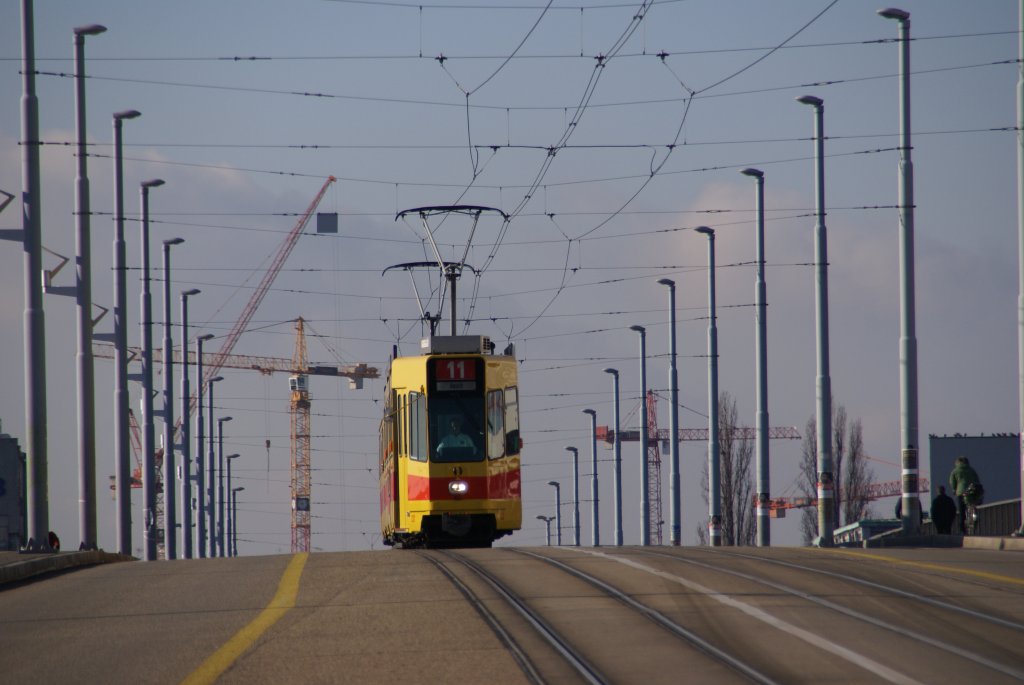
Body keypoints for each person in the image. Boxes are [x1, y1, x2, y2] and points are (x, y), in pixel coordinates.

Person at [949, 456, 982, 534]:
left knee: (961, 511)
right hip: (972, 491)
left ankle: (962, 529)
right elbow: (977, 480)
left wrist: (954, 489)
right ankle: (974, 517)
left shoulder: (955, 471)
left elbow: (952, 482)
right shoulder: (972, 470)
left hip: (961, 492)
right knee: (972, 505)